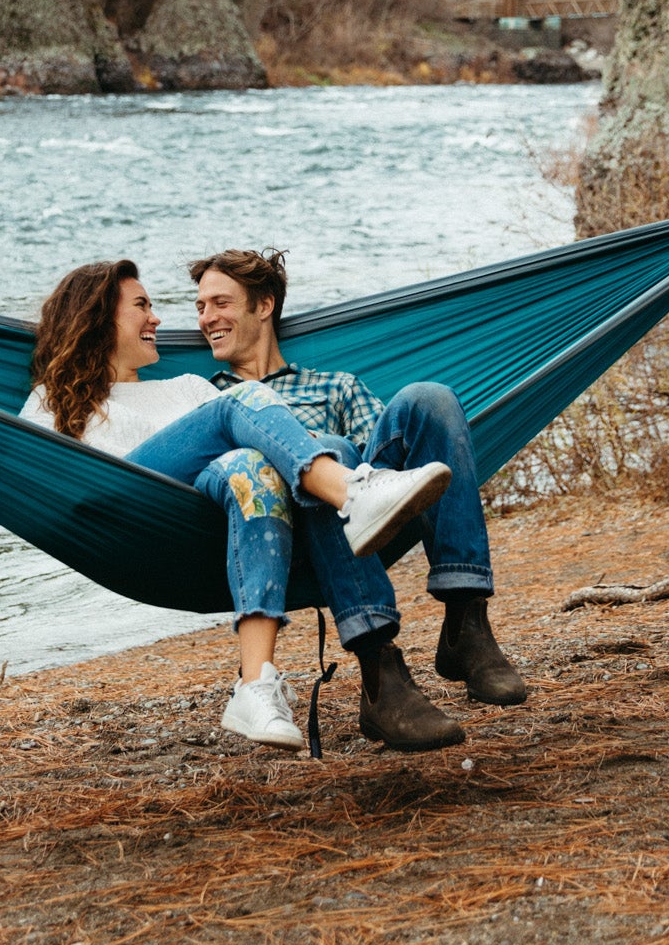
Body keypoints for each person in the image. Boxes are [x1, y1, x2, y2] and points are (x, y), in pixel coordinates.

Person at [20, 260, 453, 751]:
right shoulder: (49, 402)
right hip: (132, 503)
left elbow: (258, 445)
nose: (157, 319)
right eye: (142, 306)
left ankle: (255, 686)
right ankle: (353, 494)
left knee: (253, 469)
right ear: (98, 317)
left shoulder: (186, 387)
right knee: (242, 398)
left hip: (202, 512)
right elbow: (35, 475)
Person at [192, 248, 529, 741]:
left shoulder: (334, 386)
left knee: (431, 399)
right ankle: (379, 673)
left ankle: (467, 623)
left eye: (219, 303)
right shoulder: (208, 401)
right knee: (325, 448)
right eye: (199, 307)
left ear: (263, 306)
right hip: (281, 531)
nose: (206, 318)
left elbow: (387, 467)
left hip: (366, 521)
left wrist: (348, 465)